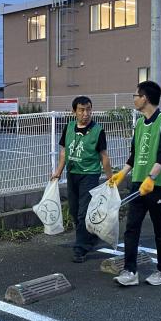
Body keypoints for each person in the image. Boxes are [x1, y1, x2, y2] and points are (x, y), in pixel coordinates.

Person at [108, 81, 161, 287]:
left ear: (145, 98)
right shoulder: (139, 123)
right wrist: (122, 173)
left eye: (136, 96)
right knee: (131, 228)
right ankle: (130, 271)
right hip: (138, 184)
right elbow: (134, 154)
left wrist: (152, 177)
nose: (134, 99)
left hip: (159, 185)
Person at [51, 96, 113, 263]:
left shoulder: (98, 131)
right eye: (82, 110)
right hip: (72, 173)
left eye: (88, 110)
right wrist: (58, 171)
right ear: (74, 112)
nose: (86, 114)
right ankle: (91, 237)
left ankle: (80, 249)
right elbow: (64, 151)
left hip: (90, 175)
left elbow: (104, 156)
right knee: (74, 210)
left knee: (83, 212)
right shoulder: (69, 127)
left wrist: (110, 179)